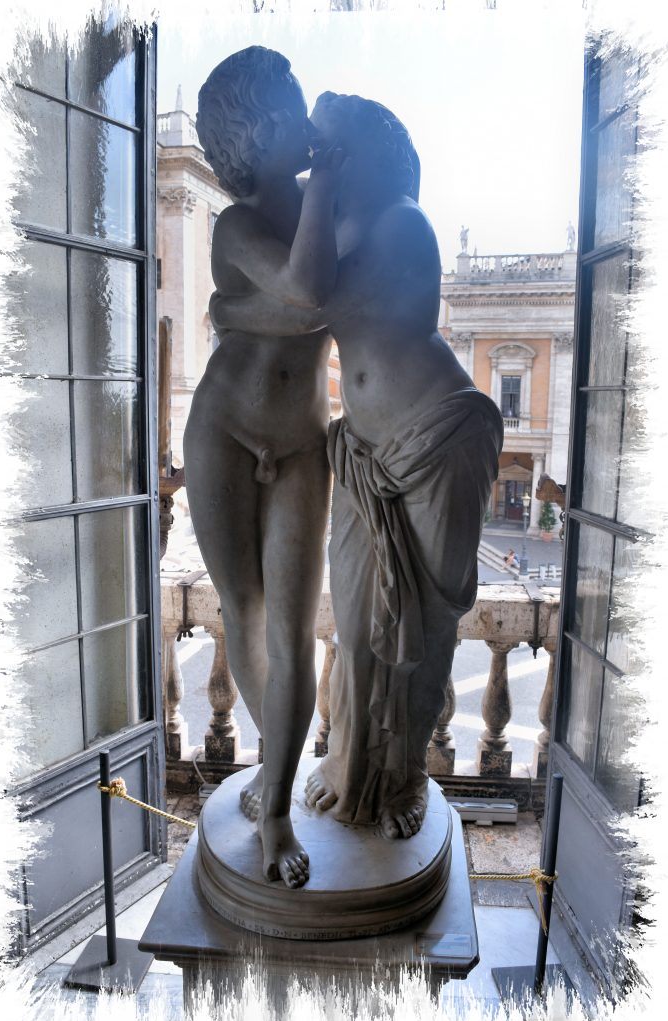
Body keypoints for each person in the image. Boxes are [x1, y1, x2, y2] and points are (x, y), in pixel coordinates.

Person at [211, 92, 504, 842]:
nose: (316, 156)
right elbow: (300, 288)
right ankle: (351, 768)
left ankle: (404, 778)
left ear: (365, 151)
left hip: (436, 436)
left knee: (423, 625)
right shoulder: (339, 225)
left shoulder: (400, 219)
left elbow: (310, 306)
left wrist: (228, 310)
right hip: (365, 451)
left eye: (328, 145)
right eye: (314, 145)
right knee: (356, 620)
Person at [184, 48, 342, 889]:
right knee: (242, 614)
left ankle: (274, 798)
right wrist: (274, 308)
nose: (301, 120)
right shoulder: (235, 225)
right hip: (221, 430)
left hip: (300, 442)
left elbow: (325, 300)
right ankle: (274, 787)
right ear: (254, 133)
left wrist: (246, 312)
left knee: (291, 631)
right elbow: (312, 292)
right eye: (285, 110)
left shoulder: (328, 207)